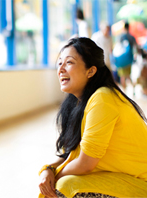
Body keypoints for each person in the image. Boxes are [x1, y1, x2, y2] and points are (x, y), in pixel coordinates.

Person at [38, 37, 147, 198]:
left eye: (69, 62)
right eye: (59, 62)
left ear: (91, 71)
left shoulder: (103, 98)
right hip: (117, 176)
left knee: (65, 186)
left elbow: (86, 163)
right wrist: (47, 170)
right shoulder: (78, 103)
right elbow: (70, 155)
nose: (61, 68)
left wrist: (54, 178)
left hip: (138, 183)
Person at [116, 21, 139, 90]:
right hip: (129, 59)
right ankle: (133, 88)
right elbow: (136, 47)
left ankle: (124, 91)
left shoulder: (121, 37)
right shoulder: (132, 37)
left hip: (121, 59)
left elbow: (117, 48)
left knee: (122, 76)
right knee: (128, 75)